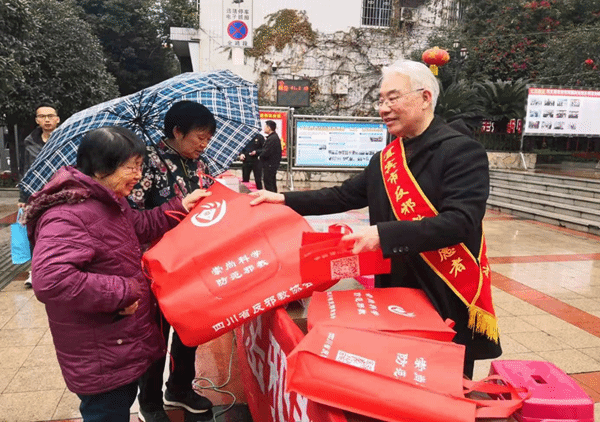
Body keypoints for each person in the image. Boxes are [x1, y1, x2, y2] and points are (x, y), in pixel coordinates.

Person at [250, 60, 502, 378]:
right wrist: (284, 199)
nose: (383, 108)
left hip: (443, 294)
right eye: (381, 100)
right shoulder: (384, 159)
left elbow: (461, 222)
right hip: (394, 291)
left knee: (440, 382)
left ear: (425, 98)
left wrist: (382, 235)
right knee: (398, 378)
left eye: (393, 98)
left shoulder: (461, 152)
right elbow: (342, 195)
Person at [22, 126, 210, 422]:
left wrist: (180, 206)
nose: (137, 175)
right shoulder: (68, 214)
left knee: (118, 405)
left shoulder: (108, 201)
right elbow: (51, 279)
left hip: (114, 343)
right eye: (129, 167)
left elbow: (141, 225)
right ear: (99, 168)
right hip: (99, 352)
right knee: (106, 412)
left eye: (139, 165)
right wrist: (124, 291)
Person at [128, 100, 216, 422]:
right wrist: (180, 205)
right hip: (157, 264)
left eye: (208, 139)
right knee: (155, 336)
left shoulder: (199, 162)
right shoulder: (145, 163)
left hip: (192, 259)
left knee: (189, 327)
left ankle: (179, 388)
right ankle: (149, 402)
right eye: (200, 138)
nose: (204, 145)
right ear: (177, 131)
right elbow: (132, 217)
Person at [19, 104, 60, 288]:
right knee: (35, 233)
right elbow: (24, 171)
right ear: (37, 120)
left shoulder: (64, 139)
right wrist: (22, 197)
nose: (47, 120)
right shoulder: (29, 143)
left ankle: (58, 268)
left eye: (50, 116)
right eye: (42, 116)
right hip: (36, 195)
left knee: (59, 230)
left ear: (58, 118)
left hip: (60, 193)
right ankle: (36, 271)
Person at [259, 120, 282, 192]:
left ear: (269, 128)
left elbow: (266, 152)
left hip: (270, 164)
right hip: (271, 164)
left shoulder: (272, 138)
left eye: (265, 126)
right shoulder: (273, 137)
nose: (264, 128)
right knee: (271, 182)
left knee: (269, 183)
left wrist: (260, 157)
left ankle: (271, 198)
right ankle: (274, 197)